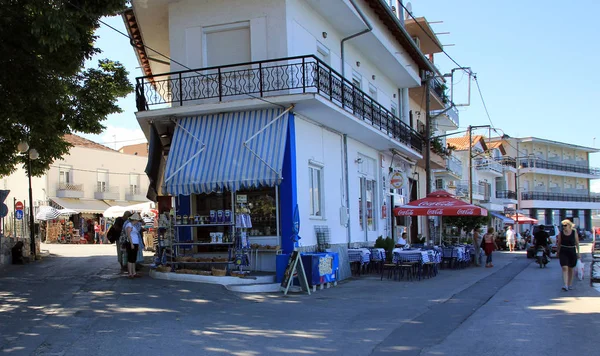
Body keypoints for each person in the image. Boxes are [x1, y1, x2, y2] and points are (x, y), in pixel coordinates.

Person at [557, 219, 580, 291]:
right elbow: (559, 243)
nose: (564, 227)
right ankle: (565, 285)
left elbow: (577, 243)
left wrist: (578, 252)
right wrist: (558, 251)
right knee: (564, 267)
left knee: (571, 268)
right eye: (563, 225)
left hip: (572, 251)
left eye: (565, 225)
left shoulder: (574, 232)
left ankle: (569, 284)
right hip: (563, 251)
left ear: (569, 225)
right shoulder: (561, 233)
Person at [124, 213, 143, 279]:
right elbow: (128, 235)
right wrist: (131, 244)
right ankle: (130, 273)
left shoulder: (133, 225)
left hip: (135, 242)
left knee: (133, 259)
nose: (138, 221)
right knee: (130, 258)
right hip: (131, 243)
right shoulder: (129, 225)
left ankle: (133, 272)